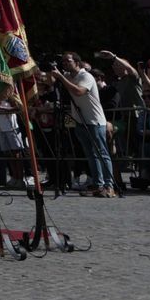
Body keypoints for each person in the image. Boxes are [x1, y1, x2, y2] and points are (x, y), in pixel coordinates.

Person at [52, 52, 115, 197]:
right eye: (63, 61)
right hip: (80, 121)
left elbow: (79, 91)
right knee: (90, 155)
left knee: (102, 154)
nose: (65, 64)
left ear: (77, 62)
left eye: (68, 61)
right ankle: (98, 185)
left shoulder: (85, 76)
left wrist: (61, 77)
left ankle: (109, 186)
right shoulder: (69, 77)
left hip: (94, 120)